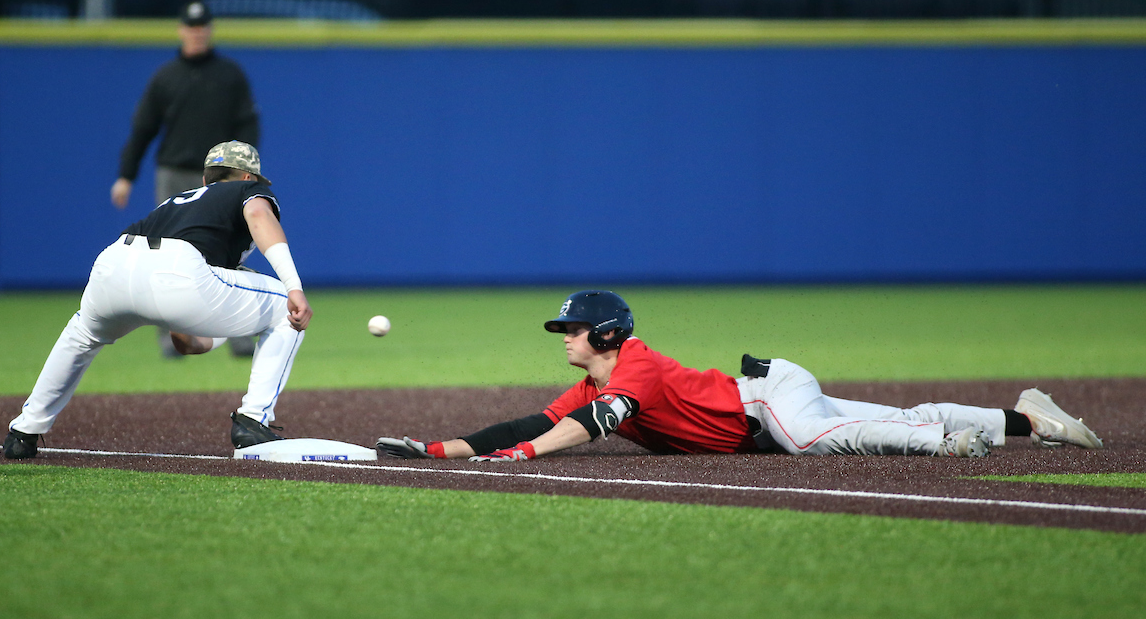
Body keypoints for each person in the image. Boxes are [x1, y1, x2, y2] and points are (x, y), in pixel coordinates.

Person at [377, 290, 1103, 462]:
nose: (564, 337)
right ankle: (1028, 419)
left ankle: (941, 445)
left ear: (604, 333)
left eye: (571, 328)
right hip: (761, 401)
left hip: (766, 398)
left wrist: (525, 457)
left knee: (810, 438)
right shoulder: (598, 380)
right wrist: (441, 450)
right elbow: (532, 421)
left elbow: (594, 426)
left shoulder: (635, 366)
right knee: (888, 415)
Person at [3, 141, 312, 460]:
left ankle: (23, 432)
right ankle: (253, 420)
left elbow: (186, 339)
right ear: (248, 177)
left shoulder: (177, 204)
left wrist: (190, 329)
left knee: (81, 337)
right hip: (178, 271)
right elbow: (258, 213)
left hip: (114, 263)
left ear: (205, 179)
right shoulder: (246, 190)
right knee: (285, 309)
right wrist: (293, 286)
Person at [110, 0, 260, 358]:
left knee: (226, 251)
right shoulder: (166, 76)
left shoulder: (230, 74)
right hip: (174, 173)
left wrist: (247, 173)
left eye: (202, 27)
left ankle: (239, 334)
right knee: (167, 257)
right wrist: (126, 176)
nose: (197, 33)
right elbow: (143, 129)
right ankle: (171, 338)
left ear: (210, 30)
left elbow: (247, 124)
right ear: (181, 30)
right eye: (191, 27)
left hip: (222, 176)